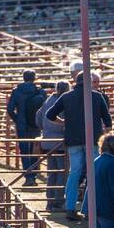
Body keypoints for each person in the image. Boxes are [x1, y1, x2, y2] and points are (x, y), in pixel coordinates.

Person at [43, 72, 113, 220]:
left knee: (74, 174)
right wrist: (106, 136)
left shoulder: (66, 96)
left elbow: (49, 115)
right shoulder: (97, 96)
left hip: (73, 140)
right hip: (93, 140)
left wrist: (64, 122)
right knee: (94, 174)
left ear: (76, 81)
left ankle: (70, 208)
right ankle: (90, 208)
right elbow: (108, 121)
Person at [6, 70, 45, 184]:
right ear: (34, 78)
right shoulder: (39, 91)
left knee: (24, 150)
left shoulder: (17, 91)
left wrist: (17, 119)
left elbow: (9, 109)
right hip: (35, 124)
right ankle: (34, 175)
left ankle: (28, 176)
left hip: (22, 124)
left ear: (23, 78)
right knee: (35, 150)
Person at [37, 78, 70, 211]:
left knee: (52, 173)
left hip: (47, 142)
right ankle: (57, 202)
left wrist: (44, 130)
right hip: (60, 143)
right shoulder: (64, 102)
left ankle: (50, 201)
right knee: (61, 172)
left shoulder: (48, 101)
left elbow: (38, 117)